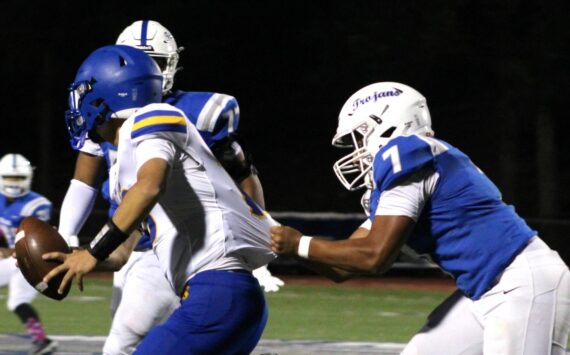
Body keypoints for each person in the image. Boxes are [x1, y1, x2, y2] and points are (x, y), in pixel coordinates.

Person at [271, 82, 570, 354]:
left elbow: (374, 256)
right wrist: (279, 241)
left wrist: (298, 243)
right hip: (486, 289)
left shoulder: (408, 154)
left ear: (385, 124)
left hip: (522, 282)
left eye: (359, 138)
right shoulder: (409, 168)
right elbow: (344, 267)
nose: (358, 151)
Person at [58, 20, 283, 354]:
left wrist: (93, 252)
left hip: (216, 292)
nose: (81, 103)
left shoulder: (154, 118)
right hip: (216, 294)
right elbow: (122, 252)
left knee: (122, 344)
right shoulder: (126, 168)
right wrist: (74, 256)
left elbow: (150, 187)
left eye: (87, 92)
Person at [0, 153, 57, 354]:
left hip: (32, 262)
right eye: (9, 177)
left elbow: (34, 241)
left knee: (17, 301)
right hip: (11, 260)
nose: (13, 182)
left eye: (18, 178)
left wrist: (9, 249)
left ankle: (43, 341)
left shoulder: (38, 205)